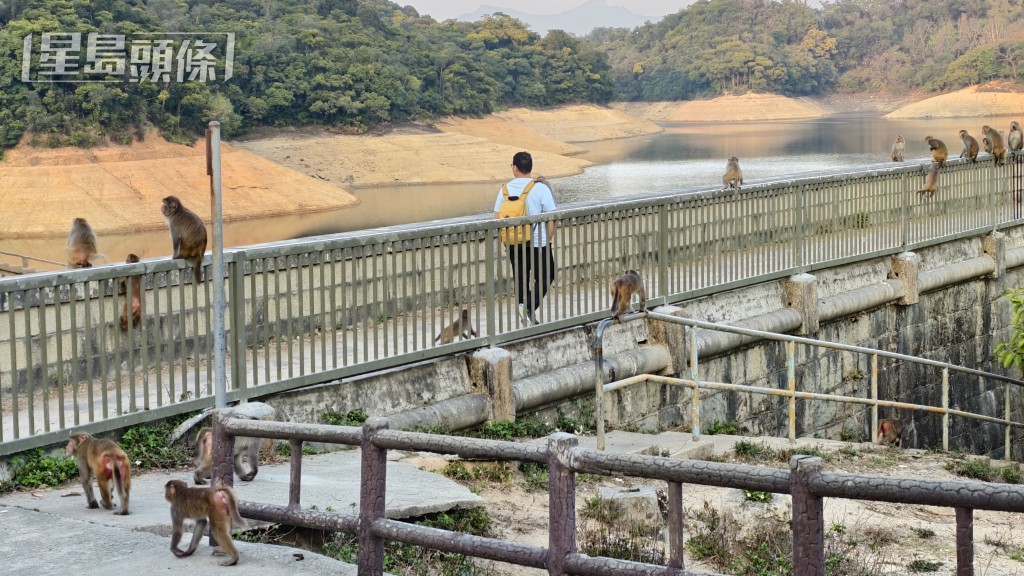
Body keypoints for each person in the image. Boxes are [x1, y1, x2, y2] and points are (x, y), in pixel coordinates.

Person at [493, 151, 556, 325]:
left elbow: (496, 218)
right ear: (530, 167)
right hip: (538, 243)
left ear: (514, 168)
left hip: (514, 243)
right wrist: (548, 239)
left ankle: (525, 314)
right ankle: (528, 309)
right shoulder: (541, 188)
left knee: (521, 278)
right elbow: (552, 218)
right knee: (546, 275)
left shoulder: (504, 189)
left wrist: (508, 238)